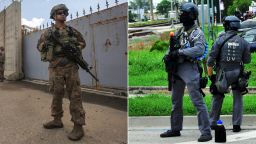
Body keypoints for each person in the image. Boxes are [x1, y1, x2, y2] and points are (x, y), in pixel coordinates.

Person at [160, 2, 212, 142]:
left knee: (197, 101)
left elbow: (199, 50)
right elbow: (172, 47)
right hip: (177, 69)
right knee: (175, 101)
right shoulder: (180, 31)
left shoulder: (197, 33)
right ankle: (175, 128)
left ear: (191, 15)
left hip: (189, 68)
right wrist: (168, 54)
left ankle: (206, 132)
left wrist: (179, 52)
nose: (180, 16)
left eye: (183, 13)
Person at [37, 4, 86, 141]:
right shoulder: (48, 32)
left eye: (65, 12)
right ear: (53, 16)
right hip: (55, 67)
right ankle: (57, 120)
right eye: (59, 12)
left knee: (75, 95)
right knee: (56, 94)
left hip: (70, 66)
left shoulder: (72, 31)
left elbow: (82, 43)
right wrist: (46, 46)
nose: (63, 14)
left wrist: (73, 47)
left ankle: (78, 126)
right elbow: (39, 46)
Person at [207, 16, 251, 132]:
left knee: (217, 96)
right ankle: (236, 125)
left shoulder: (220, 40)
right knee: (238, 98)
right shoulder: (244, 42)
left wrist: (211, 76)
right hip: (238, 73)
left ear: (227, 26)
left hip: (222, 73)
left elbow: (210, 61)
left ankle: (212, 122)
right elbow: (247, 60)